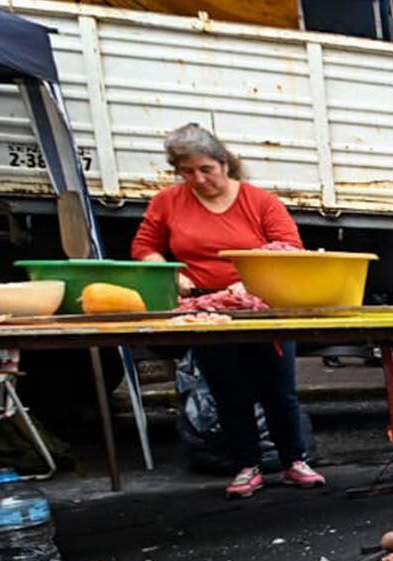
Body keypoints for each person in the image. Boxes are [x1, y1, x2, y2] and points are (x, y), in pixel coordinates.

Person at [132, 123, 322, 498]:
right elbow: (144, 245)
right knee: (227, 390)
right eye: (187, 172)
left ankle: (294, 461)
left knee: (278, 389)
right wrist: (169, 272)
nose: (199, 179)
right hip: (206, 310)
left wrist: (250, 280)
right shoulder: (168, 202)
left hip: (263, 307)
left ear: (224, 163)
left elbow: (289, 246)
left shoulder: (260, 201)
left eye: (207, 170)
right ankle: (246, 466)